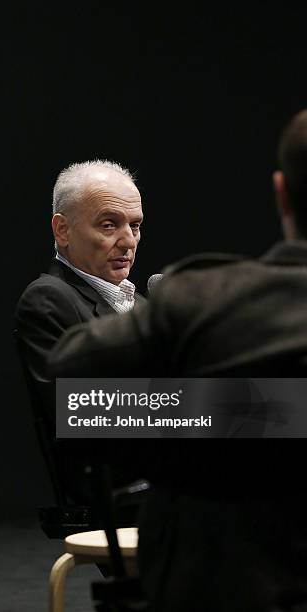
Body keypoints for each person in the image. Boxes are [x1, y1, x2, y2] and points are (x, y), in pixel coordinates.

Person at [50, 111, 307, 611]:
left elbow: (84, 401)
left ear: (281, 192)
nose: (127, 239)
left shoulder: (197, 303)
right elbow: (77, 407)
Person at [15, 159, 145, 502]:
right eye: (108, 225)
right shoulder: (49, 299)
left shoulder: (145, 306)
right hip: (117, 494)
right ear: (62, 230)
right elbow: (81, 411)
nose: (128, 241)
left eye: (135, 225)